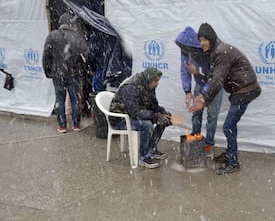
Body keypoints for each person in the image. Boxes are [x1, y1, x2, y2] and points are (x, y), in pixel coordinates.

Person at [189, 23, 261, 174]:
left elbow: (217, 81)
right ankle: (230, 154)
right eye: (199, 40)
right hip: (241, 90)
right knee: (230, 126)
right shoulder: (217, 50)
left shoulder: (221, 52)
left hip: (245, 91)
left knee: (228, 126)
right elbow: (212, 77)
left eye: (204, 40)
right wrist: (201, 88)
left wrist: (203, 101)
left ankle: (233, 162)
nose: (201, 43)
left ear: (211, 38)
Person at [109, 67, 172, 169]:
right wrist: (155, 116)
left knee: (165, 120)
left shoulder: (148, 85)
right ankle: (143, 156)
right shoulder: (131, 87)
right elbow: (135, 112)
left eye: (158, 81)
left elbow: (153, 105)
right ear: (149, 78)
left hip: (133, 115)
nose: (157, 84)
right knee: (147, 125)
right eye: (155, 81)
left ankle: (151, 149)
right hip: (120, 119)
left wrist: (162, 112)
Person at [175, 26, 223, 158]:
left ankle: (209, 145)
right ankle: (195, 139)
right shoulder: (186, 50)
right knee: (196, 113)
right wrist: (187, 91)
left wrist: (203, 95)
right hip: (199, 84)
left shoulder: (212, 50)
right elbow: (184, 70)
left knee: (212, 116)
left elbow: (214, 77)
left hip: (215, 87)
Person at [42, 12, 88, 133]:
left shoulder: (52, 36)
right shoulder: (77, 36)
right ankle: (76, 125)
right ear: (70, 23)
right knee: (75, 99)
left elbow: (46, 56)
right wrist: (82, 70)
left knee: (60, 99)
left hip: (58, 73)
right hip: (74, 73)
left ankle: (62, 126)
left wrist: (48, 71)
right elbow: (85, 54)